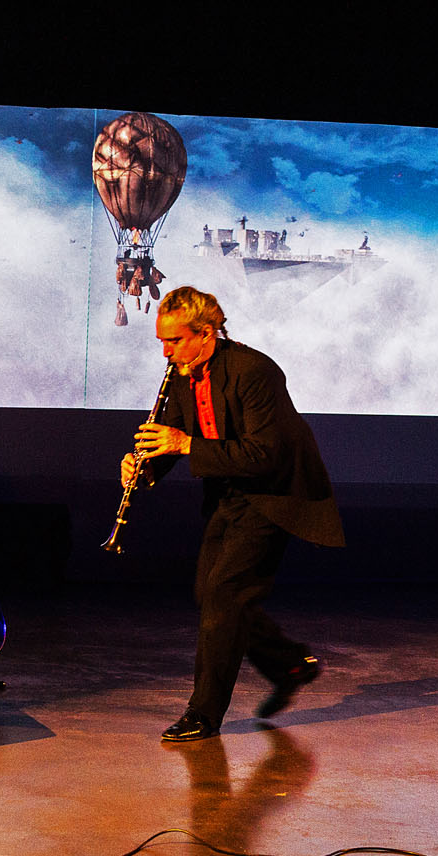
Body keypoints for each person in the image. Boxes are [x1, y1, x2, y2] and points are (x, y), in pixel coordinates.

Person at [121, 286, 344, 741]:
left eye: (175, 340)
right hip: (229, 491)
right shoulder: (183, 373)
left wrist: (184, 445)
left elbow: (264, 455)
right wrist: (141, 470)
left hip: (275, 493)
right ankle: (289, 665)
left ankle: (203, 714)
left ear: (206, 334)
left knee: (225, 593)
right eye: (161, 341)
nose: (165, 351)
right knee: (212, 594)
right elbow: (175, 437)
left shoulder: (254, 371)